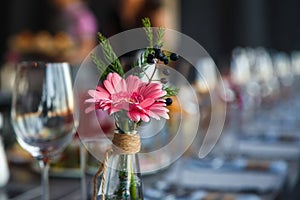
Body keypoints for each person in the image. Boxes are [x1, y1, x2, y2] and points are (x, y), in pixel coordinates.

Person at [50, 0, 98, 65]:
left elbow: (87, 51)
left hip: (79, 70)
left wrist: (64, 59)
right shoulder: (64, 14)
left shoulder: (82, 15)